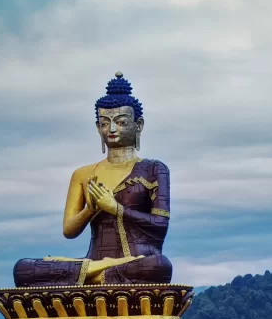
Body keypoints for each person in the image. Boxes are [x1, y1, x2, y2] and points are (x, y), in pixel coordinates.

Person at [13, 72, 172, 288]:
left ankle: (84, 278)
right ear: (98, 127)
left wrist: (116, 208)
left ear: (139, 125)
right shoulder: (83, 174)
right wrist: (90, 209)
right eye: (105, 123)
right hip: (95, 261)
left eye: (121, 122)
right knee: (23, 268)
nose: (112, 129)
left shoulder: (154, 169)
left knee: (159, 266)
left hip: (138, 261)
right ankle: (95, 272)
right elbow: (69, 231)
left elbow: (160, 225)